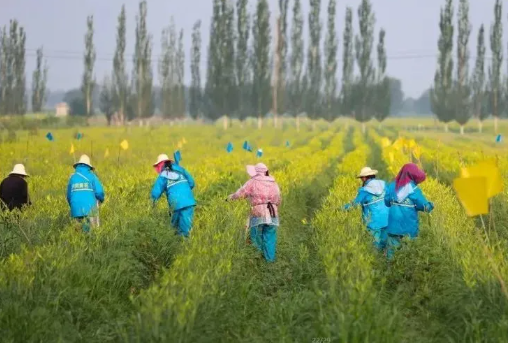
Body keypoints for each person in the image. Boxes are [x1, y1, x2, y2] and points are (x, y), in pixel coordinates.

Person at [228, 163, 281, 262]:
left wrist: (231, 197)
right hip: (272, 212)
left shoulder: (252, 182)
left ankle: (258, 259)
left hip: (258, 212)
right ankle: (269, 261)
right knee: (270, 237)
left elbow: (241, 193)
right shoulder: (274, 183)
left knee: (255, 236)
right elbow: (278, 199)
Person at [384, 163, 434, 259]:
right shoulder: (414, 189)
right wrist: (431, 205)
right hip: (409, 228)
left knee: (391, 254)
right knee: (408, 254)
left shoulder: (392, 186)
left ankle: (390, 271)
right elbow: (424, 206)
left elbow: (386, 202)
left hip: (393, 226)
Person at [344, 167, 389, 252]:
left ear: (365, 178)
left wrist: (341, 209)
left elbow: (354, 203)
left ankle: (377, 263)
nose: (361, 179)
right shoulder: (384, 185)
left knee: (375, 247)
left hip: (373, 223)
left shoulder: (364, 191)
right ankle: (387, 262)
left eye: (361, 178)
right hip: (386, 219)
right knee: (385, 245)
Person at [151, 154, 196, 237]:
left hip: (175, 204)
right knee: (186, 227)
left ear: (160, 165)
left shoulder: (163, 174)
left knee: (175, 227)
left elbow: (156, 191)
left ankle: (177, 244)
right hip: (188, 201)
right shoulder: (181, 169)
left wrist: (153, 202)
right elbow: (192, 183)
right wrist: (184, 189)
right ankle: (185, 244)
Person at [66, 155, 105, 233]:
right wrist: (101, 200)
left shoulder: (72, 177)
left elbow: (68, 196)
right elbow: (100, 192)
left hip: (76, 209)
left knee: (79, 234)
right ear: (88, 167)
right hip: (90, 209)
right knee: (92, 232)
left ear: (78, 166)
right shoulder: (92, 176)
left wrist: (74, 206)